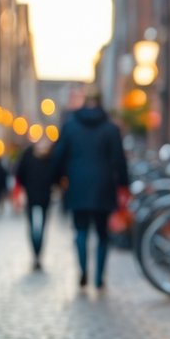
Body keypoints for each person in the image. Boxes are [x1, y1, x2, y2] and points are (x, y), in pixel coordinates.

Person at [54, 89, 130, 289]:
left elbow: (58, 156)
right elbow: (119, 161)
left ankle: (82, 271)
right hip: (103, 185)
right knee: (102, 233)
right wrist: (124, 184)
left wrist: (59, 180)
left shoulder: (70, 127)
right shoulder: (111, 129)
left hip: (77, 185)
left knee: (80, 231)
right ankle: (99, 277)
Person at [15, 138, 57, 271]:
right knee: (40, 227)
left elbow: (19, 174)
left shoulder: (28, 154)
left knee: (34, 227)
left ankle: (36, 254)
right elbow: (55, 176)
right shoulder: (50, 156)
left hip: (34, 196)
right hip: (42, 196)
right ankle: (37, 254)